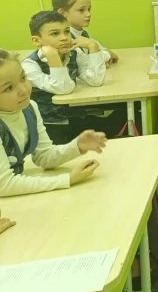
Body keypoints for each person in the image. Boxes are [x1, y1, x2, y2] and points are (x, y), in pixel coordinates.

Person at [0, 48, 105, 196]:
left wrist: (76, 146)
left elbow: (43, 157)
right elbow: (4, 185)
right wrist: (67, 179)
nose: (23, 90)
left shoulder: (29, 109)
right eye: (9, 88)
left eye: (23, 78)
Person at [21, 10, 118, 144]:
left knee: (124, 117)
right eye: (55, 33)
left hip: (73, 118)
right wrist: (53, 56)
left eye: (66, 31)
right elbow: (63, 88)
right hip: (49, 126)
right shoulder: (30, 65)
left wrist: (93, 46)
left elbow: (95, 80)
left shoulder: (73, 54)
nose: (64, 38)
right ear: (37, 40)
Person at [52, 0, 119, 65]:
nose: (88, 14)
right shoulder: (64, 38)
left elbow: (99, 47)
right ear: (62, 13)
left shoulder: (82, 33)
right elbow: (85, 62)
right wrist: (108, 55)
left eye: (89, 9)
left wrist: (103, 52)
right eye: (81, 10)